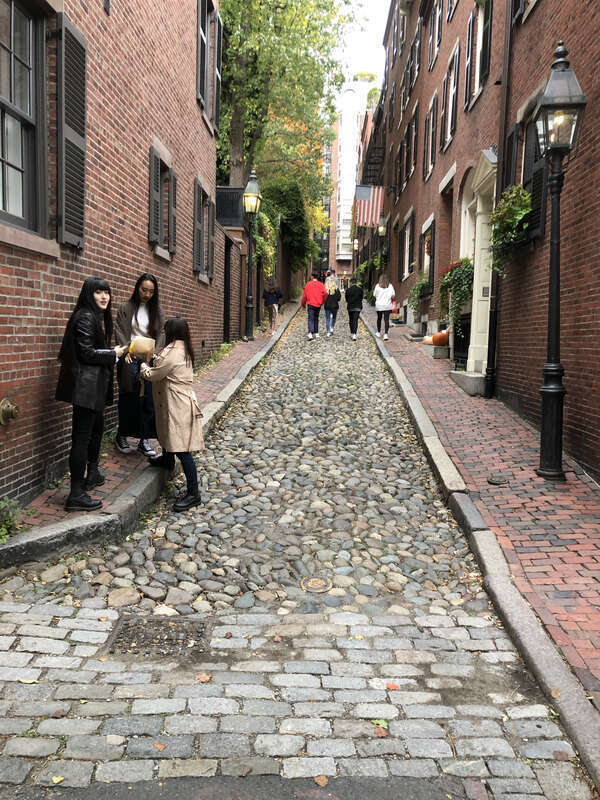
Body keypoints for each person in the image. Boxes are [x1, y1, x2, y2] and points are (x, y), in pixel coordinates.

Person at [56, 277, 129, 511]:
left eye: (106, 292)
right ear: (89, 294)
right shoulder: (85, 317)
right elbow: (86, 353)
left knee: (96, 429)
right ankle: (76, 493)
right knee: (81, 437)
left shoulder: (92, 316)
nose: (104, 297)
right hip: (85, 389)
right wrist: (113, 353)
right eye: (98, 292)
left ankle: (93, 472)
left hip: (92, 387)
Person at [141, 318, 204, 512]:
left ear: (170, 332)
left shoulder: (174, 352)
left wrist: (143, 365)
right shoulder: (182, 348)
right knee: (170, 431)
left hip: (177, 403)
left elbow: (154, 374)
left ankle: (194, 493)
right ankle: (167, 460)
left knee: (183, 449)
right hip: (176, 400)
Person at [114, 273, 165, 456]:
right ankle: (122, 434)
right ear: (137, 288)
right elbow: (120, 330)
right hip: (130, 356)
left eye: (151, 291)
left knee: (149, 399)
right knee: (129, 396)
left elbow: (161, 334)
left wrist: (156, 355)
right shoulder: (126, 307)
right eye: (144, 290)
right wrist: (125, 351)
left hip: (149, 358)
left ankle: (144, 440)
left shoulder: (157, 310)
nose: (147, 294)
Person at [301, 272, 327, 341]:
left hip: (311, 303)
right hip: (318, 303)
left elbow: (304, 296)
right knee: (316, 318)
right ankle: (316, 332)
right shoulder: (321, 284)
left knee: (310, 318)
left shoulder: (308, 284)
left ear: (312, 277)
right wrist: (322, 301)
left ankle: (310, 332)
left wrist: (303, 304)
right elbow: (325, 293)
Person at [373, 273, 395, 341]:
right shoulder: (390, 286)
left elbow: (374, 295)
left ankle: (379, 332)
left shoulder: (377, 286)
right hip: (387, 305)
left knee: (379, 319)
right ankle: (385, 334)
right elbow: (393, 295)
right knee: (386, 320)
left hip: (379, 305)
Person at [345, 277, 363, 341]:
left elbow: (346, 299)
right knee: (355, 320)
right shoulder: (360, 289)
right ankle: (355, 334)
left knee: (351, 320)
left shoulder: (348, 290)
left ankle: (352, 333)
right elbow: (361, 298)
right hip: (358, 307)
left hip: (350, 307)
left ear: (351, 283)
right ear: (356, 282)